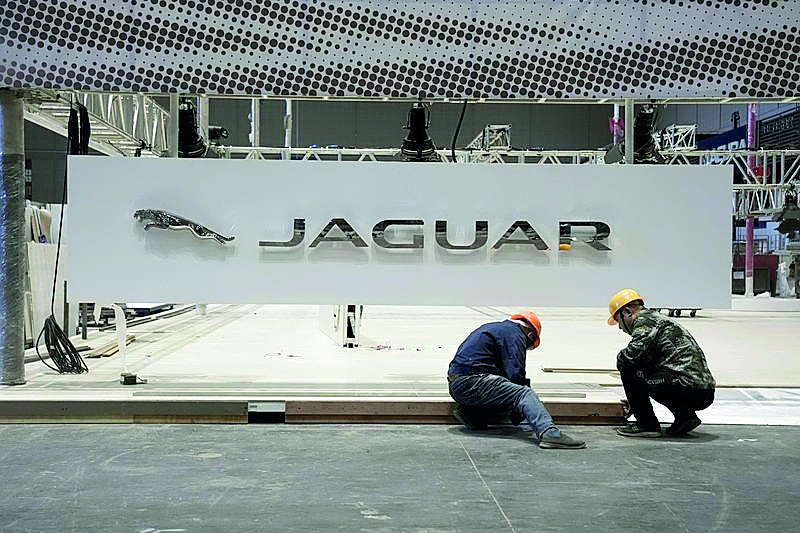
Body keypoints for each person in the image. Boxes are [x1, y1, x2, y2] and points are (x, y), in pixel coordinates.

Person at [447, 311, 586, 449]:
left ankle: (471, 414)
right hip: (473, 381)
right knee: (523, 393)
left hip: (457, 385)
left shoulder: (498, 329)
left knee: (507, 392)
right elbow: (515, 374)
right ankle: (550, 433)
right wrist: (522, 406)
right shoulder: (515, 334)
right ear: (530, 335)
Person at [607, 289, 716, 437]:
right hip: (704, 391)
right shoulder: (658, 319)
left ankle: (646, 425)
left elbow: (632, 355)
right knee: (641, 367)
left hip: (687, 387)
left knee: (627, 365)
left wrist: (636, 400)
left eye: (619, 321)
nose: (620, 327)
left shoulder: (645, 320)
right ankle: (685, 417)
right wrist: (635, 399)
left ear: (627, 312)